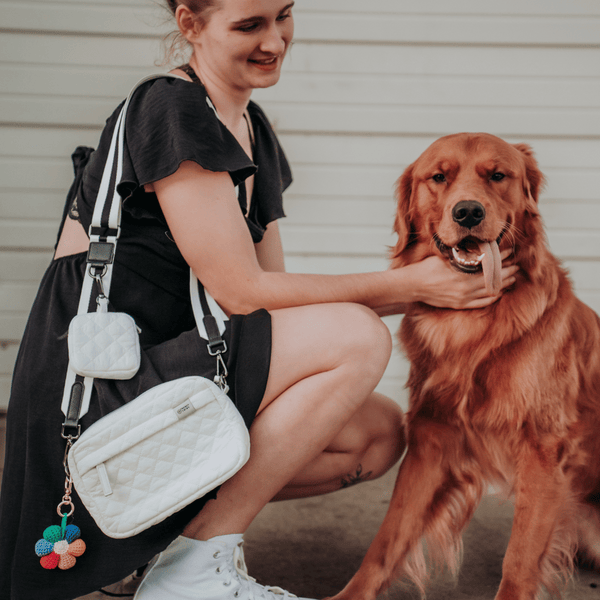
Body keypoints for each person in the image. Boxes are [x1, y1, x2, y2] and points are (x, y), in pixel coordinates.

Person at [0, 1, 519, 599]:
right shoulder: (171, 108)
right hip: (102, 385)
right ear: (191, 25)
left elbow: (275, 304)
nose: (274, 40)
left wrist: (431, 292)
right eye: (249, 25)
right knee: (356, 337)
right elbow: (241, 291)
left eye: (283, 15)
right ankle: (195, 570)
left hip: (179, 367)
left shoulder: (252, 126)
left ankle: (162, 549)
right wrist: (409, 286)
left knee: (376, 434)